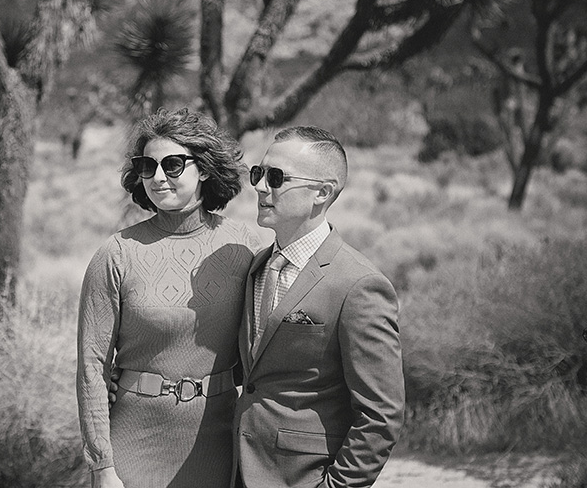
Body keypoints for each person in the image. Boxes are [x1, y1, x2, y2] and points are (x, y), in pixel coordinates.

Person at [76, 107, 260, 488]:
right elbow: (92, 366)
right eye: (148, 166)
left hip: (219, 441)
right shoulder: (117, 253)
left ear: (205, 169)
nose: (158, 178)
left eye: (173, 165)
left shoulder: (248, 247)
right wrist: (101, 466)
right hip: (133, 445)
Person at [234, 126, 405, 488]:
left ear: (322, 193)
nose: (262, 187)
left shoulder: (359, 285)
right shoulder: (256, 267)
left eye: (276, 177)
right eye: (259, 174)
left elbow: (381, 415)